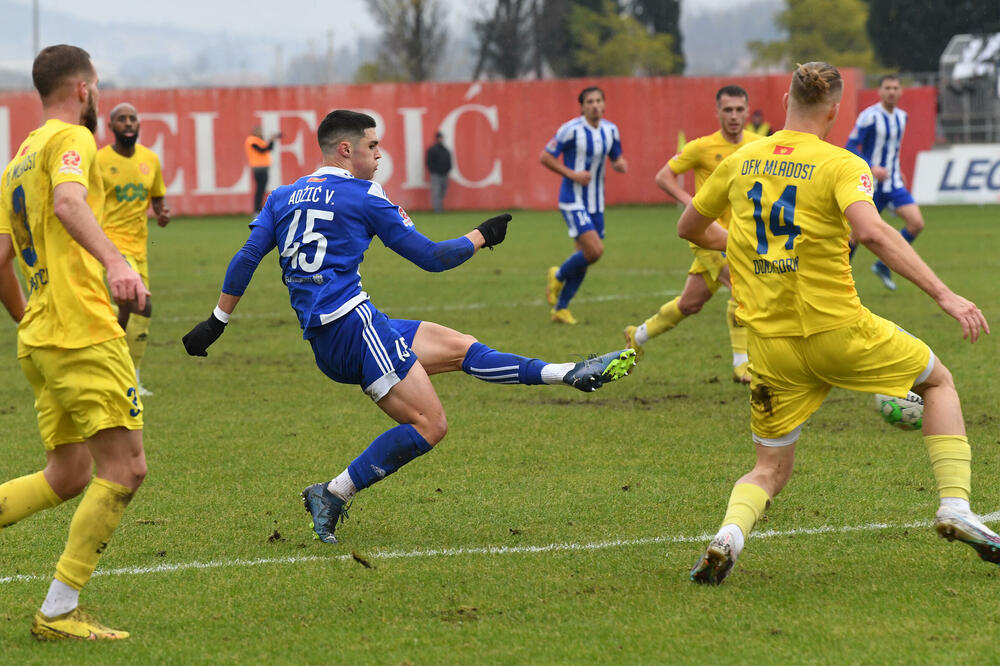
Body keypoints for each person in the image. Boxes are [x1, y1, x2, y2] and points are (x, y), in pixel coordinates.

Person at [182, 110, 637, 545]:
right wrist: (482, 235)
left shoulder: (281, 196)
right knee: (430, 424)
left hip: (335, 333)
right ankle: (334, 492)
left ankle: (568, 372)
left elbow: (246, 257)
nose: (379, 156)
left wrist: (215, 322)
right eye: (372, 146)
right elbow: (432, 258)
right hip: (353, 327)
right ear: (345, 150)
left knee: (461, 348)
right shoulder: (365, 196)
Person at [678, 62, 995, 586]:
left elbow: (689, 226)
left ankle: (727, 537)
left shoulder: (741, 158)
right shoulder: (842, 164)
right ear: (835, 109)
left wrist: (743, 248)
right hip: (839, 331)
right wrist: (944, 294)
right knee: (938, 381)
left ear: (785, 99)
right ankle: (955, 506)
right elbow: (871, 232)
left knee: (770, 469)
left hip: (771, 346)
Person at [0, 44, 150, 639]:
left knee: (66, 475)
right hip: (81, 330)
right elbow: (68, 203)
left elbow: (0, 260)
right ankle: (58, 611)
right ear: (84, 90)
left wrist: (31, 320)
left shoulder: (17, 158)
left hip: (41, 337)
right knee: (127, 468)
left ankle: (59, 609)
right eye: (99, 88)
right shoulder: (76, 140)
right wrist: (117, 262)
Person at [623, 86, 761, 384]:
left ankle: (638, 334)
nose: (734, 116)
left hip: (742, 237)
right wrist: (691, 203)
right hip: (707, 235)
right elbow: (663, 176)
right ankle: (742, 365)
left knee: (689, 304)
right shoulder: (702, 147)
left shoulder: (759, 145)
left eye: (739, 109)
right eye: (728, 110)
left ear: (748, 110)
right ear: (718, 113)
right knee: (742, 287)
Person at [97, 102, 170, 396]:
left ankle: (124, 376)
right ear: (111, 126)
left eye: (132, 119)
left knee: (129, 313)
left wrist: (163, 213)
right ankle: (126, 376)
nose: (128, 123)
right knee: (141, 303)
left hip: (139, 249)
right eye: (122, 119)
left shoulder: (149, 160)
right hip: (111, 247)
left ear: (139, 125)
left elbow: (157, 200)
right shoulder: (99, 161)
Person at [541, 86, 627, 325]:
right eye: (590, 101)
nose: (595, 105)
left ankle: (561, 309)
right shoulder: (570, 130)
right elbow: (545, 157)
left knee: (585, 256)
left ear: (604, 104)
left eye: (599, 100)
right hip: (572, 199)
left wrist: (620, 164)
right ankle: (557, 275)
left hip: (596, 202)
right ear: (582, 106)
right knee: (595, 251)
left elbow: (616, 156)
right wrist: (572, 174)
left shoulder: (611, 130)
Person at [845, 74, 926, 291]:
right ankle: (840, 277)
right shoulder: (868, 116)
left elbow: (893, 149)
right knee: (856, 236)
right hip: (871, 184)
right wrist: (872, 167)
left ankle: (883, 265)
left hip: (893, 184)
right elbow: (850, 147)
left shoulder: (902, 117)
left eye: (895, 88)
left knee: (916, 223)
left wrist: (897, 170)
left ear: (900, 91)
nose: (891, 91)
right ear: (880, 91)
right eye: (887, 88)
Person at [245, 125, 281, 213]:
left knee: (262, 189)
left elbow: (269, 148)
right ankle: (257, 210)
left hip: (264, 168)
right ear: (254, 131)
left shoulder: (260, 140)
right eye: (258, 131)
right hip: (258, 168)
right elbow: (261, 150)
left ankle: (259, 209)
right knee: (260, 190)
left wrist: (272, 140)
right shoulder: (251, 140)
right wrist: (270, 140)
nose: (260, 132)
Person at [425, 131, 452, 213]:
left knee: (442, 192)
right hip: (436, 174)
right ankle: (437, 210)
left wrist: (447, 169)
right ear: (436, 138)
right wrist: (434, 170)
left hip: (444, 174)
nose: (441, 139)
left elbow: (449, 161)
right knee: (436, 192)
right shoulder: (432, 149)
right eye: (439, 137)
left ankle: (440, 208)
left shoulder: (445, 150)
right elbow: (429, 162)